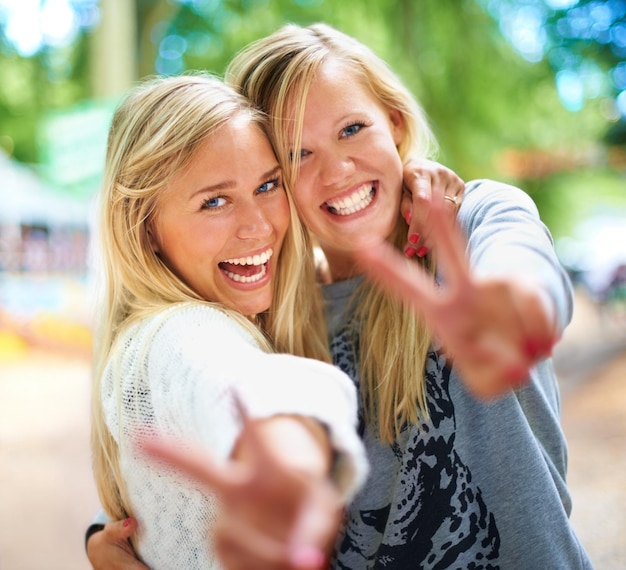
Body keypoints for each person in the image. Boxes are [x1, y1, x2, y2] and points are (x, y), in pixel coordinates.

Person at [88, 22, 593, 570]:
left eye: (352, 129)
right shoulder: (275, 306)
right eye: (298, 154)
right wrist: (117, 539)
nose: (337, 170)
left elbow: (525, 270)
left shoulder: (473, 221)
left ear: (394, 123)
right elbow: (209, 385)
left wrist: (514, 309)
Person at [89, 72, 370, 570]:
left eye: (267, 186)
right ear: (144, 228)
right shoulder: (179, 334)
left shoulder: (148, 336)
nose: (259, 225)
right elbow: (226, 381)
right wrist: (290, 467)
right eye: (214, 201)